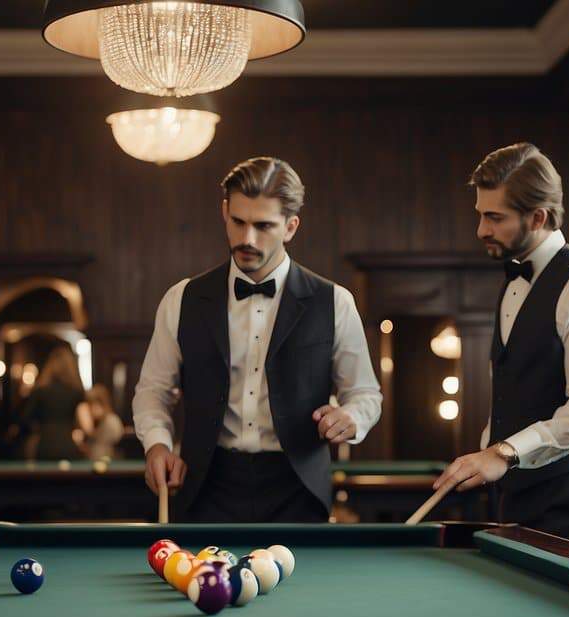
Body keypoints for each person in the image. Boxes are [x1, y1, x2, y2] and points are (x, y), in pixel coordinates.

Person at [133, 156, 382, 522]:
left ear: (291, 227)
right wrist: (157, 444)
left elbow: (365, 394)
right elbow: (153, 390)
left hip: (298, 490)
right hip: (205, 487)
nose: (247, 239)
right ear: (224, 212)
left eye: (263, 226)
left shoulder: (335, 302)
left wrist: (351, 418)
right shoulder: (181, 299)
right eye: (238, 222)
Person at [432, 143, 569, 549]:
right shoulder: (514, 279)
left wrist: (503, 453)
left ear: (538, 217)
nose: (481, 230)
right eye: (480, 215)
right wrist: (488, 451)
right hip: (518, 496)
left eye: (494, 217)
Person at [19, 346, 86, 460]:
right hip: (68, 444)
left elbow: (26, 420)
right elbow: (85, 423)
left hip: (45, 444)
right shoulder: (77, 392)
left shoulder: (40, 390)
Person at [83, 384, 125, 460]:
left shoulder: (112, 420)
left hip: (110, 461)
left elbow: (118, 437)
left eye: (93, 404)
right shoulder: (91, 421)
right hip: (93, 461)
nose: (91, 408)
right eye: (89, 404)